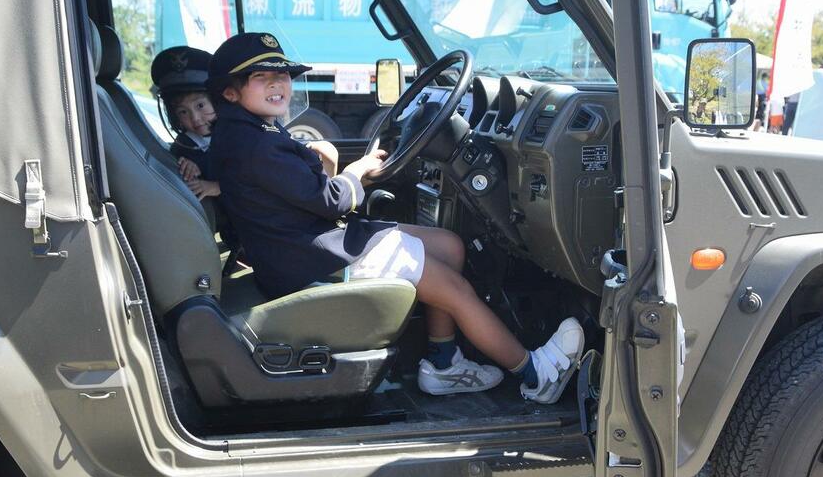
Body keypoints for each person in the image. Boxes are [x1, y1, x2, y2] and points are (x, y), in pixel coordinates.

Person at [207, 32, 584, 404]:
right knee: (455, 291)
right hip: (312, 257)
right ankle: (536, 374)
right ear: (230, 92)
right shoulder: (255, 144)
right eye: (262, 78)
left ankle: (444, 363)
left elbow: (293, 189)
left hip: (303, 245)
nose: (278, 84)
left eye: (283, 75)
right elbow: (332, 200)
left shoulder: (247, 133)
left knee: (449, 245)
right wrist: (358, 171)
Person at [150, 46, 222, 200]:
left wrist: (218, 186)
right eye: (183, 112)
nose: (195, 118)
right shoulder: (183, 148)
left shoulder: (237, 133)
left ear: (216, 101)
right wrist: (188, 167)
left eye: (200, 106)